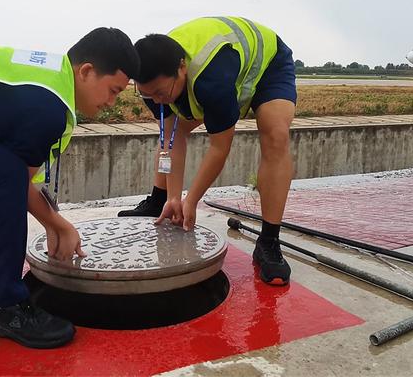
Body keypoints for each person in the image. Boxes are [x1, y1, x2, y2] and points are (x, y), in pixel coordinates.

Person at [0, 28, 140, 348]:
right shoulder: (47, 107)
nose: (112, 101)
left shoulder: (46, 77)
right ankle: (5, 307)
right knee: (3, 171)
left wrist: (51, 221)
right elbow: (17, 180)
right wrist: (58, 224)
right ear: (87, 71)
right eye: (113, 90)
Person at [121, 16, 296, 286]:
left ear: (182, 68)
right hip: (216, 77)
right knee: (169, 132)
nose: (155, 100)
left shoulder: (210, 79)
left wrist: (190, 201)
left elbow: (219, 147)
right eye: (147, 95)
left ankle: (269, 242)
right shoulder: (154, 81)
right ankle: (159, 201)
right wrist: (173, 197)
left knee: (275, 134)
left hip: (267, 65)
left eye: (159, 92)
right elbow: (171, 137)